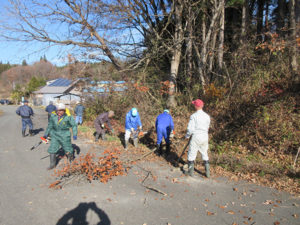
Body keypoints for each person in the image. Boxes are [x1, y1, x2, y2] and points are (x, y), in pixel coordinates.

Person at [43, 103, 78, 170]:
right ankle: (52, 164)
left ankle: (71, 162)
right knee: (52, 148)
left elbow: (74, 125)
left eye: (61, 110)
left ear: (64, 111)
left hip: (64, 134)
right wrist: (46, 134)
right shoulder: (53, 116)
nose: (59, 112)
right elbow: (50, 125)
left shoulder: (68, 117)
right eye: (58, 110)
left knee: (68, 149)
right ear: (56, 110)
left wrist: (75, 134)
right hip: (55, 134)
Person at [184, 99, 211, 177]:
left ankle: (190, 172)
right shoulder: (207, 116)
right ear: (202, 106)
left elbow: (190, 129)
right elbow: (208, 127)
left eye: (194, 105)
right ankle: (207, 173)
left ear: (196, 106)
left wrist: (187, 136)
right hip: (205, 136)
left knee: (191, 154)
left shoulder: (194, 116)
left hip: (196, 136)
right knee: (205, 153)